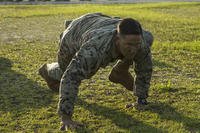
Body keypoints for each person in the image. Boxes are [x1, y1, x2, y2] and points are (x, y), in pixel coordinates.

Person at [38, 13, 153, 131]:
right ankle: (48, 70)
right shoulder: (94, 50)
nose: (133, 49)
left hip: (97, 21)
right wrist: (66, 117)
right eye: (129, 44)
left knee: (147, 40)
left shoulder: (141, 42)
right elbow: (71, 76)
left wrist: (141, 99)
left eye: (136, 44)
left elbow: (145, 69)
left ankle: (120, 71)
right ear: (117, 39)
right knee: (75, 70)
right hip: (73, 35)